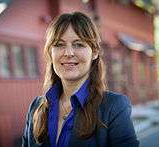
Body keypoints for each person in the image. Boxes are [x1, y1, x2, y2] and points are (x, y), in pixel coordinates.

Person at [22, 11, 139, 147]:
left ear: (94, 52)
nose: (68, 53)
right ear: (50, 52)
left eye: (78, 44)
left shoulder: (114, 107)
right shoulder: (35, 108)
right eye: (59, 45)